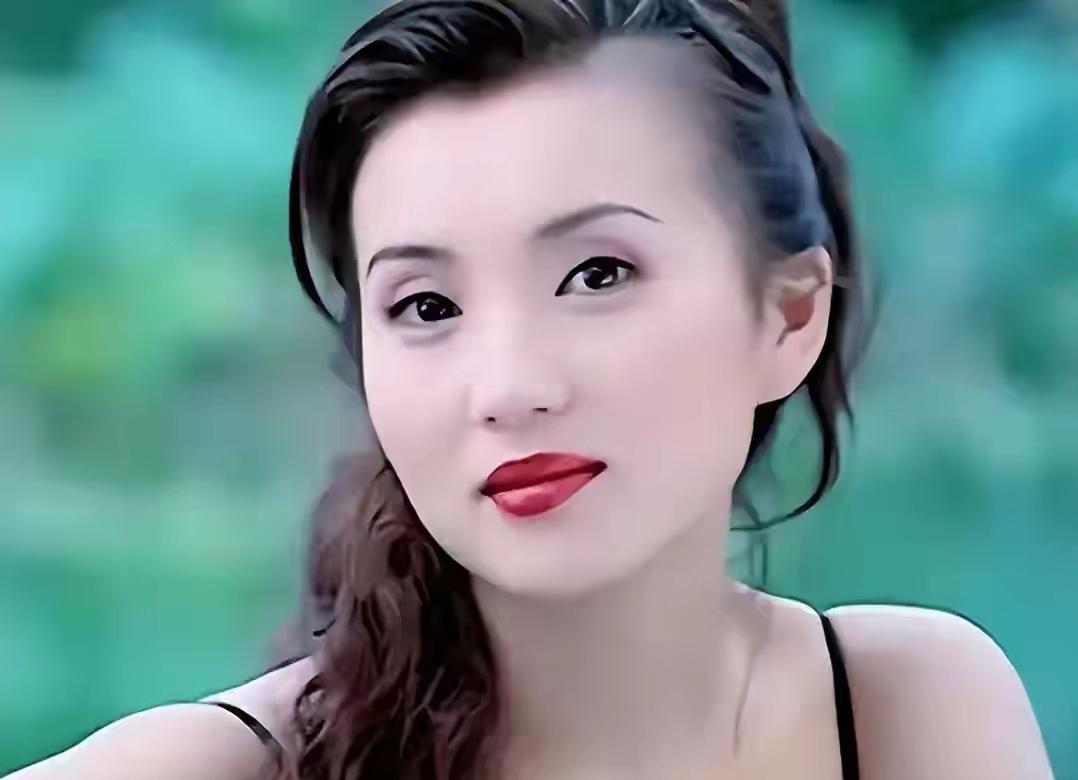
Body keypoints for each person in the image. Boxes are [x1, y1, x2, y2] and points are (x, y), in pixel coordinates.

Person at [8, 1, 1056, 778]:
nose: (507, 388)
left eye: (597, 275)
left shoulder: (905, 710)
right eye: (426, 306)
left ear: (786, 317)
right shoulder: (228, 767)